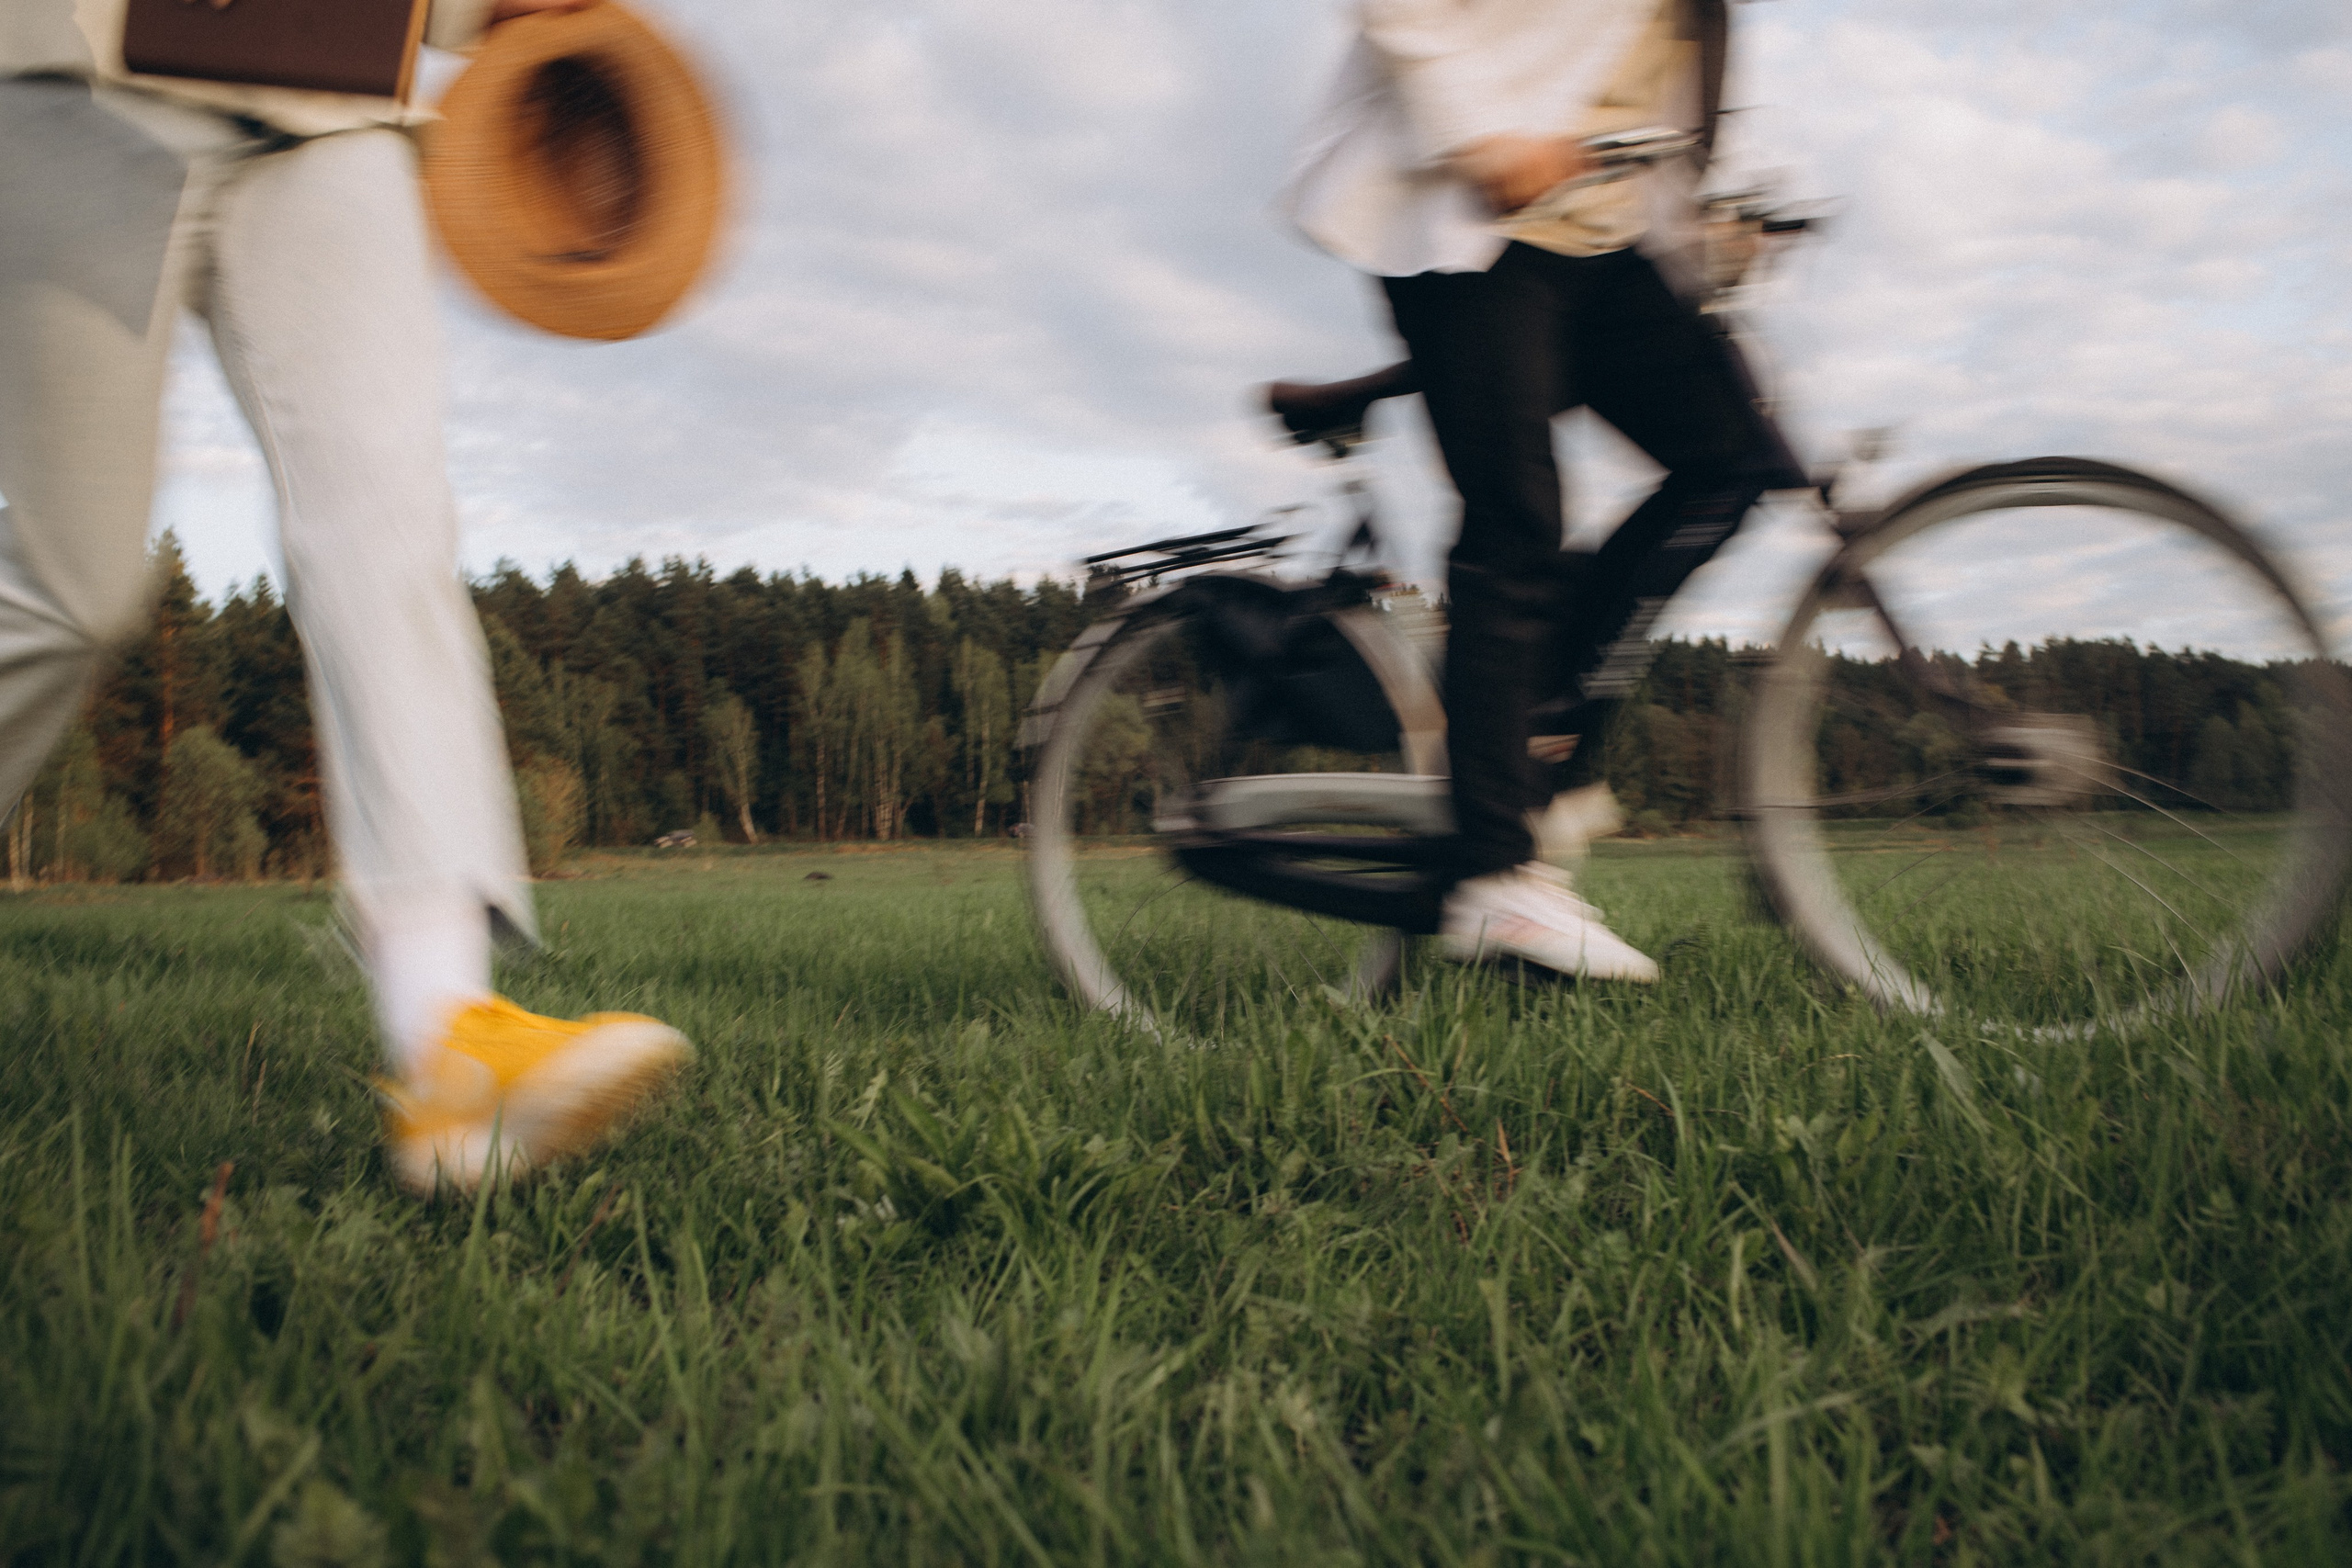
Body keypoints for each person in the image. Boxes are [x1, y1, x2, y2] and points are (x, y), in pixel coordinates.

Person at [0, 0, 689, 1192]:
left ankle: (450, 1045)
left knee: (389, 529)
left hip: (338, 111)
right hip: (78, 80)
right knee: (78, 585)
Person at [1279, 0, 1804, 982]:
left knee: (1733, 457)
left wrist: (1710, 225)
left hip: (1601, 243)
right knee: (1517, 518)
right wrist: (1478, 132)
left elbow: (1655, 106)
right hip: (1469, 211)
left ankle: (1536, 730)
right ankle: (1495, 878)